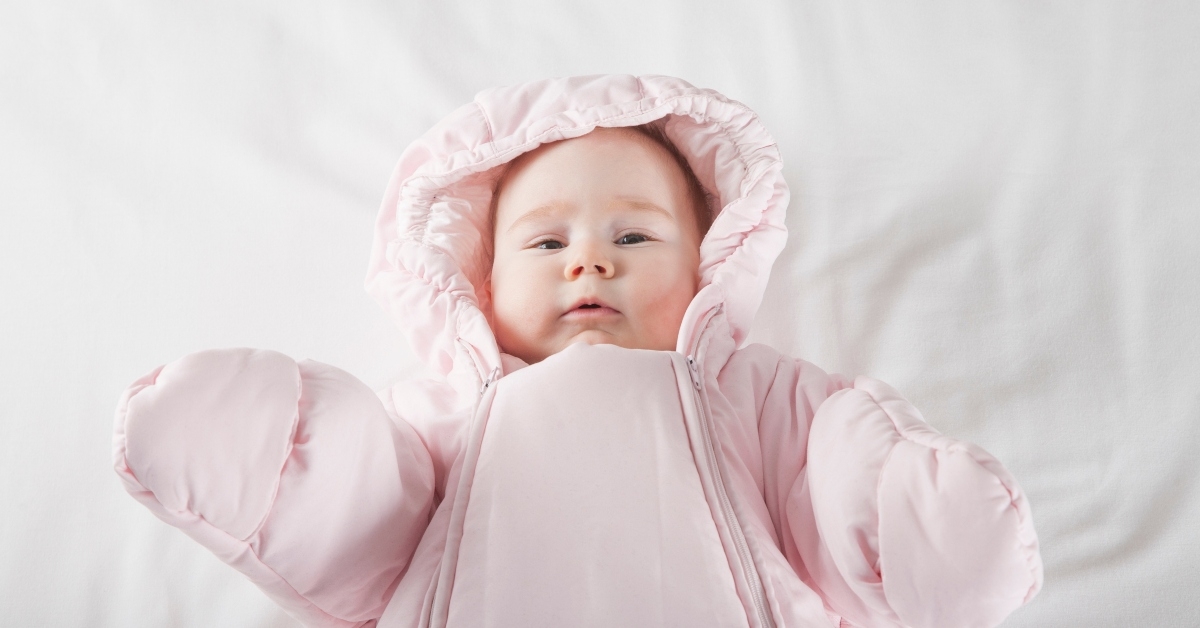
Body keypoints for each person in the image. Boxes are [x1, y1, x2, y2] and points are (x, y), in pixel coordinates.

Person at [114, 75, 1042, 628]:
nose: (589, 258)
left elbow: (830, 490)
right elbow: (360, 524)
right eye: (546, 244)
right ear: (477, 283)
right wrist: (276, 455)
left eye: (634, 239)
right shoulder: (448, 414)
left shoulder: (751, 395)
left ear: (710, 268)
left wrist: (908, 509)